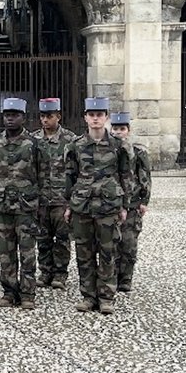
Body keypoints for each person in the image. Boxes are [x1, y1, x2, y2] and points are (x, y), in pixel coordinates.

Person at [63, 97, 134, 314]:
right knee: (84, 253)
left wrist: (124, 206)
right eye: (92, 115)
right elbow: (69, 176)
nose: (95, 119)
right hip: (82, 205)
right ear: (85, 117)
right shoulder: (75, 146)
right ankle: (88, 297)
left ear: (106, 118)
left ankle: (106, 297)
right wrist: (68, 205)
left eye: (100, 115)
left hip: (108, 205)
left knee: (108, 252)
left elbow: (126, 176)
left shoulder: (118, 146)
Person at [0, 98, 45, 310]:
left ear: (23, 117)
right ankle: (9, 292)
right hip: (1, 206)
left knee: (28, 252)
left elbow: (42, 175)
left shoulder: (33, 144)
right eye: (7, 115)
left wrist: (40, 203)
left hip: (26, 206)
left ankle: (28, 293)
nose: (10, 118)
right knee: (5, 252)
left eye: (15, 114)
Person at [32, 98, 77, 290]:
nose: (45, 120)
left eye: (49, 116)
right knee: (43, 239)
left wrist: (72, 200)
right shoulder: (33, 140)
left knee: (62, 239)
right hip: (41, 199)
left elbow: (76, 170)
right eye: (42, 116)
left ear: (58, 116)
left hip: (61, 199)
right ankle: (45, 271)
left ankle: (60, 274)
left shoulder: (71, 140)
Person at [108, 112, 151, 292]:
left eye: (122, 129)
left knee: (129, 242)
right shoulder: (107, 151)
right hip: (112, 203)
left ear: (128, 130)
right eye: (115, 129)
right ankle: (112, 276)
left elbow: (145, 177)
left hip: (132, 204)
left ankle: (126, 278)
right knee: (111, 243)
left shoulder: (138, 152)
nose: (118, 132)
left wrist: (144, 200)